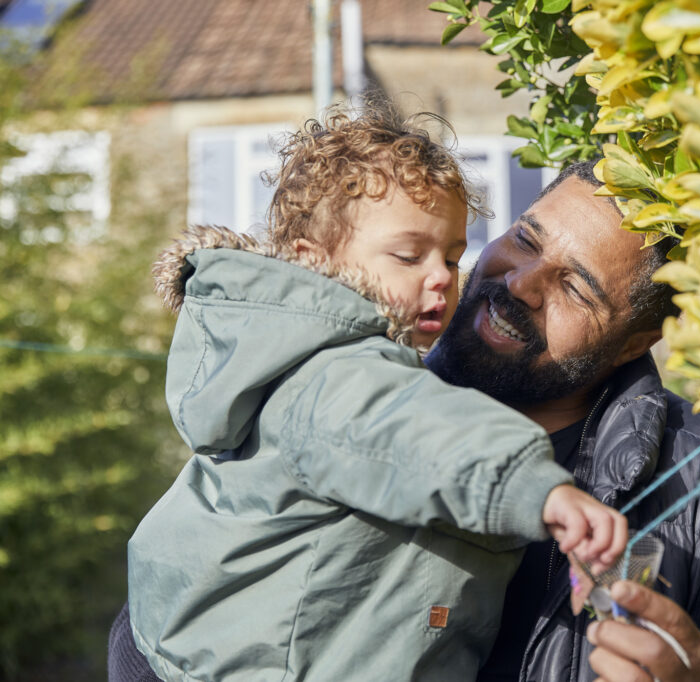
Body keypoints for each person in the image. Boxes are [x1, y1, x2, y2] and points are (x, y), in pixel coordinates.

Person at [111, 158, 700, 682]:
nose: (519, 283)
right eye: (526, 238)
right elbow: (180, 598)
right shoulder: (346, 385)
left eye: (576, 287)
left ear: (637, 341)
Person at [123, 108, 627, 682]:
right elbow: (414, 431)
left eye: (453, 256)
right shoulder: (335, 375)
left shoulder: (343, 365)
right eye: (409, 256)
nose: (441, 277)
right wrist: (536, 487)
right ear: (315, 263)